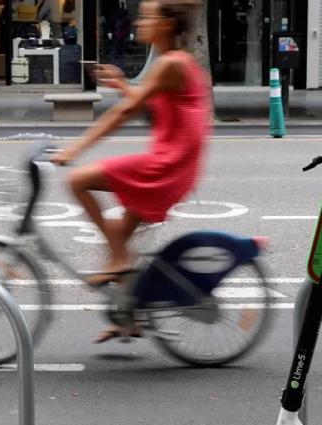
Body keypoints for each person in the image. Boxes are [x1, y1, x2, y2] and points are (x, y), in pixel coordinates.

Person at [51, 0, 211, 342]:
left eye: (147, 17)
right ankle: (130, 317)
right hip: (176, 163)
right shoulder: (173, 63)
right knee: (117, 234)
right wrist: (123, 85)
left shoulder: (171, 63)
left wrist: (75, 149)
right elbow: (153, 107)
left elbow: (126, 112)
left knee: (77, 180)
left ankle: (121, 260)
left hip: (167, 165)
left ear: (166, 25)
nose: (139, 22)